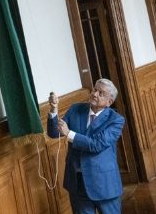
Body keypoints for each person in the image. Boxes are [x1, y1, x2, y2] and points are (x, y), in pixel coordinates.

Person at [48, 79, 125, 214]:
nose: (95, 94)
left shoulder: (116, 120)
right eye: (95, 89)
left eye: (101, 93)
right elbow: (54, 133)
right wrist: (54, 109)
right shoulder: (75, 109)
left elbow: (96, 144)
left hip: (104, 183)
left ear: (109, 102)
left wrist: (69, 133)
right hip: (78, 183)